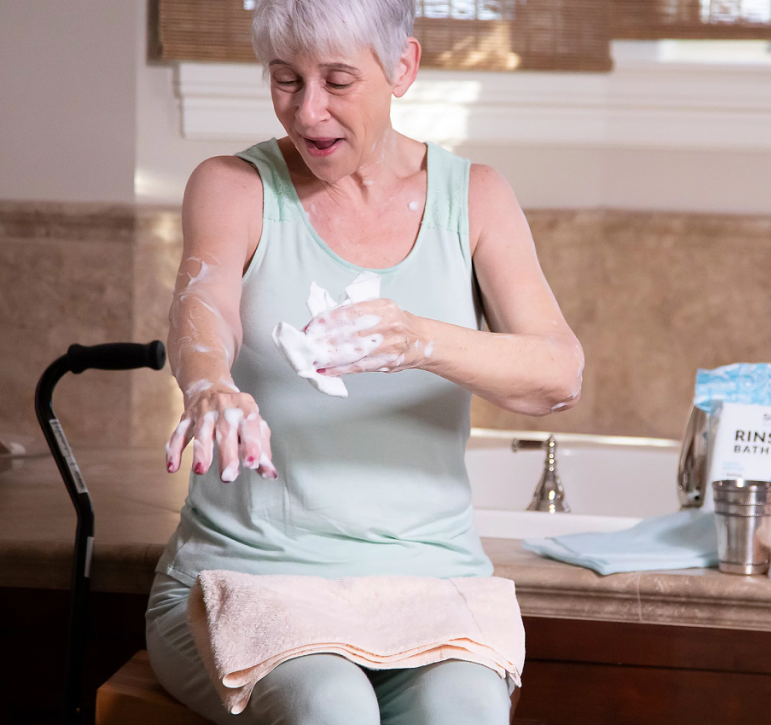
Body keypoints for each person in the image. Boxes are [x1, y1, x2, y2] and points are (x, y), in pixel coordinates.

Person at [145, 0, 584, 723]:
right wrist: (209, 383)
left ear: (402, 68)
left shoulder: (475, 199)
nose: (308, 110)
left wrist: (419, 339)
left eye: (337, 80)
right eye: (286, 80)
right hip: (252, 583)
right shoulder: (235, 186)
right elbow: (205, 304)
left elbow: (557, 374)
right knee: (331, 707)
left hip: (428, 589)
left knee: (463, 715)